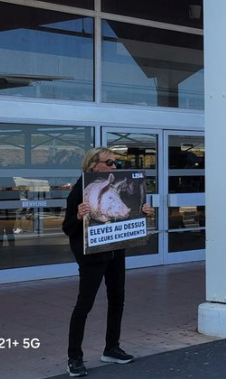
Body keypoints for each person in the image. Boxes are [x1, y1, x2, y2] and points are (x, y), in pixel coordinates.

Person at [63, 147, 155, 377]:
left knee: (117, 299)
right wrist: (77, 216)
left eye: (116, 163)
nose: (115, 167)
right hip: (92, 256)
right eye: (110, 162)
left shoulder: (115, 187)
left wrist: (146, 212)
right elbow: (68, 228)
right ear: (94, 165)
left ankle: (111, 348)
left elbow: (126, 215)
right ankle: (74, 357)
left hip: (115, 251)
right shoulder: (79, 191)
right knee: (84, 304)